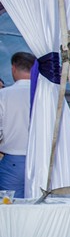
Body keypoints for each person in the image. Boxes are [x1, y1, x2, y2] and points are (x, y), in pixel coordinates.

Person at [0, 52, 34, 197]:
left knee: (10, 205)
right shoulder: (45, 95)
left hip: (13, 161)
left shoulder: (4, 95)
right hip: (41, 160)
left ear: (13, 68)